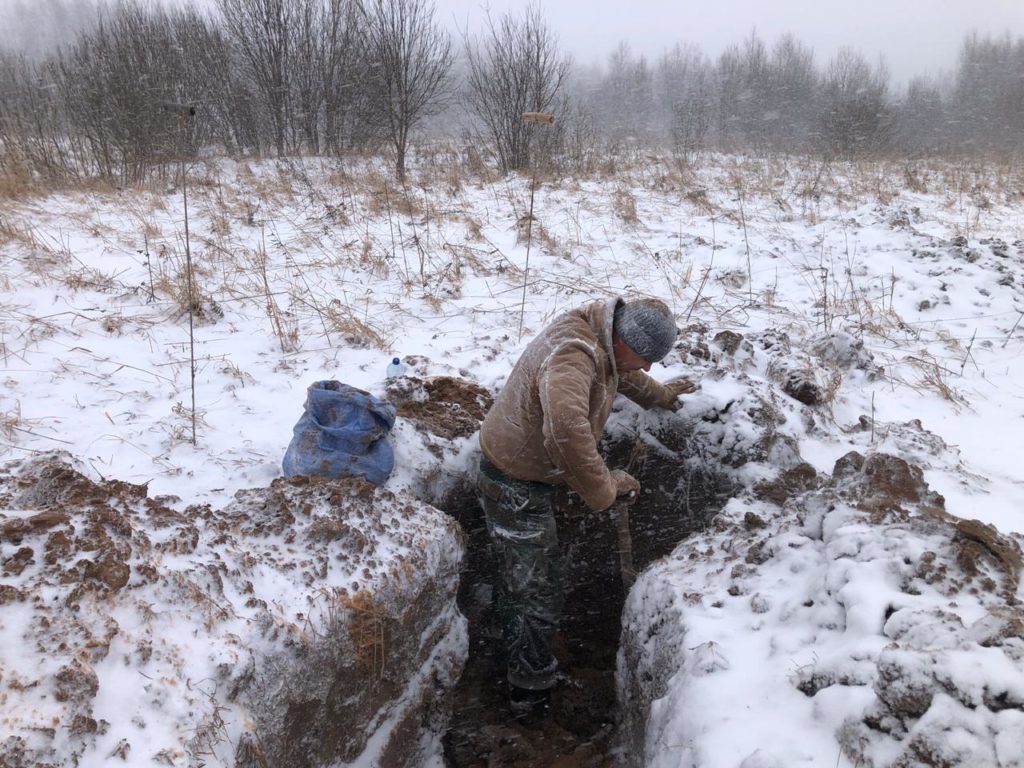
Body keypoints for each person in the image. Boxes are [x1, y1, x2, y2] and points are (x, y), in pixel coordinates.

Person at [476, 296, 696, 721]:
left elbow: (621, 374)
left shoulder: (602, 339)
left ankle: (508, 640)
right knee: (535, 590)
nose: (648, 368)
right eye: (646, 357)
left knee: (523, 579)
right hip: (514, 480)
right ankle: (529, 691)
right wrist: (606, 489)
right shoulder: (573, 356)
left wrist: (661, 396)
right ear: (623, 338)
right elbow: (565, 434)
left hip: (527, 468)